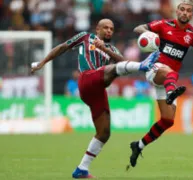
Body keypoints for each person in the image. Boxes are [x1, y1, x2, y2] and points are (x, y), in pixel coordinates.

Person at [30, 18, 159, 179]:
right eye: (105, 28)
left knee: (104, 132)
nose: (109, 31)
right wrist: (42, 62)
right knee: (109, 70)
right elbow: (63, 47)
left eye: (111, 29)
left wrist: (106, 49)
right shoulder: (85, 37)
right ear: (97, 29)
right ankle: (142, 65)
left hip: (98, 89)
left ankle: (81, 169)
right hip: (87, 79)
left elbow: (123, 63)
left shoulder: (110, 48)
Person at [128, 0, 193, 168]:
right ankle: (171, 93)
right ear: (177, 11)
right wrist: (149, 35)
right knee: (170, 72)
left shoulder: (192, 34)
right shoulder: (163, 24)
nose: (185, 13)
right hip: (155, 69)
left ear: (192, 14)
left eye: (188, 11)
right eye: (182, 9)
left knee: (168, 121)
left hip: (168, 80)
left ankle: (138, 145)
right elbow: (138, 28)